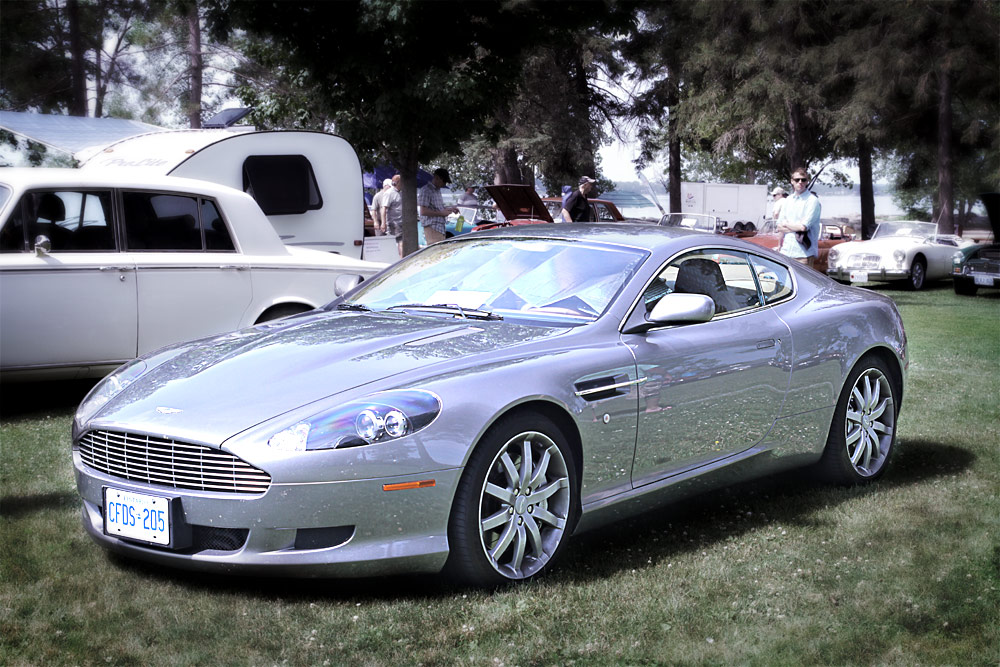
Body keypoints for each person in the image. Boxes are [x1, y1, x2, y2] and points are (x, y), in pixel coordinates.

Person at [776, 167, 821, 267]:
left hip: (804, 255)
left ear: (807, 182)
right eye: (797, 180)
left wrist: (786, 224)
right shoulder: (788, 200)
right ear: (792, 181)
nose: (800, 182)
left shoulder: (812, 201)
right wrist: (795, 227)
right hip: (786, 253)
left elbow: (803, 227)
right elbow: (779, 226)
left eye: (803, 180)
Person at [418, 167, 458, 245]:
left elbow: (438, 208)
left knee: (441, 250)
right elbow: (423, 211)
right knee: (436, 251)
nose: (444, 184)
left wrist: (451, 209)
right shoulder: (426, 190)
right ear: (437, 178)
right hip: (432, 227)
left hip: (440, 228)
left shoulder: (437, 190)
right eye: (444, 181)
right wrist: (442, 213)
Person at [381, 174, 404, 257]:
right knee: (399, 243)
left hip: (402, 222)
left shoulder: (401, 192)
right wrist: (383, 223)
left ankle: (401, 258)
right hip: (394, 224)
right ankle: (400, 259)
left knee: (402, 243)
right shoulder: (389, 193)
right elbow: (384, 209)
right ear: (397, 182)